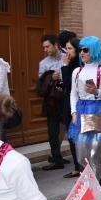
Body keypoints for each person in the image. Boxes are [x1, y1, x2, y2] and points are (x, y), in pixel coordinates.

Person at [68, 36, 101, 196]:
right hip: (82, 112)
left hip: (98, 113)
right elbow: (73, 94)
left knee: (94, 155)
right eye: (81, 49)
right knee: (81, 157)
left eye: (85, 49)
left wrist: (97, 91)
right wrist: (73, 112)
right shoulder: (77, 71)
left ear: (94, 51)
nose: (81, 52)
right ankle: (100, 182)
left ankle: (95, 195)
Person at [38, 34, 65, 170]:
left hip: (67, 98)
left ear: (56, 45)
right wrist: (50, 77)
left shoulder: (68, 57)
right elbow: (41, 84)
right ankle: (56, 159)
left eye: (47, 46)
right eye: (44, 47)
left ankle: (80, 159)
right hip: (52, 101)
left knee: (70, 129)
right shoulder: (43, 63)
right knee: (53, 131)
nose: (45, 49)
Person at [61, 36, 82, 178]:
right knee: (73, 137)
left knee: (75, 136)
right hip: (70, 103)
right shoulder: (73, 63)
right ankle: (78, 165)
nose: (67, 52)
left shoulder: (75, 66)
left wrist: (64, 66)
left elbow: (68, 84)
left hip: (77, 105)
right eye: (66, 48)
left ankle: (79, 167)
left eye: (70, 48)